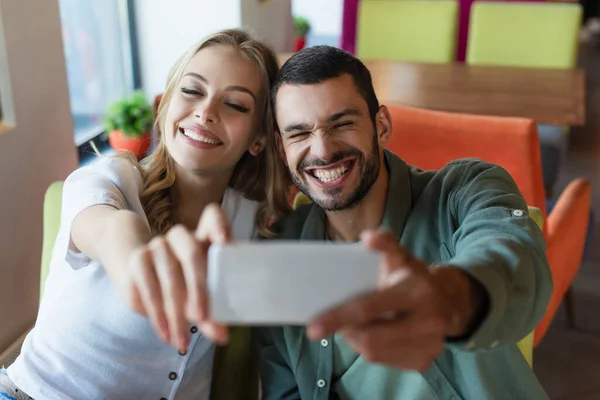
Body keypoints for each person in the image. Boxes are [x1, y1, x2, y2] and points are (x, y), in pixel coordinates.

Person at [199, 45, 553, 399]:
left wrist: (451, 299)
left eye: (342, 123)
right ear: (280, 148)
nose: (322, 150)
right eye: (299, 133)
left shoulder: (464, 189)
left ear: (381, 126)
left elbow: (514, 257)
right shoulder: (281, 248)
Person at [1, 29, 290, 400]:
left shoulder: (249, 218)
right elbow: (110, 229)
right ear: (166, 104)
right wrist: (136, 258)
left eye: (235, 104)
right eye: (192, 90)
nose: (205, 111)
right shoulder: (107, 180)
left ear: (259, 138)